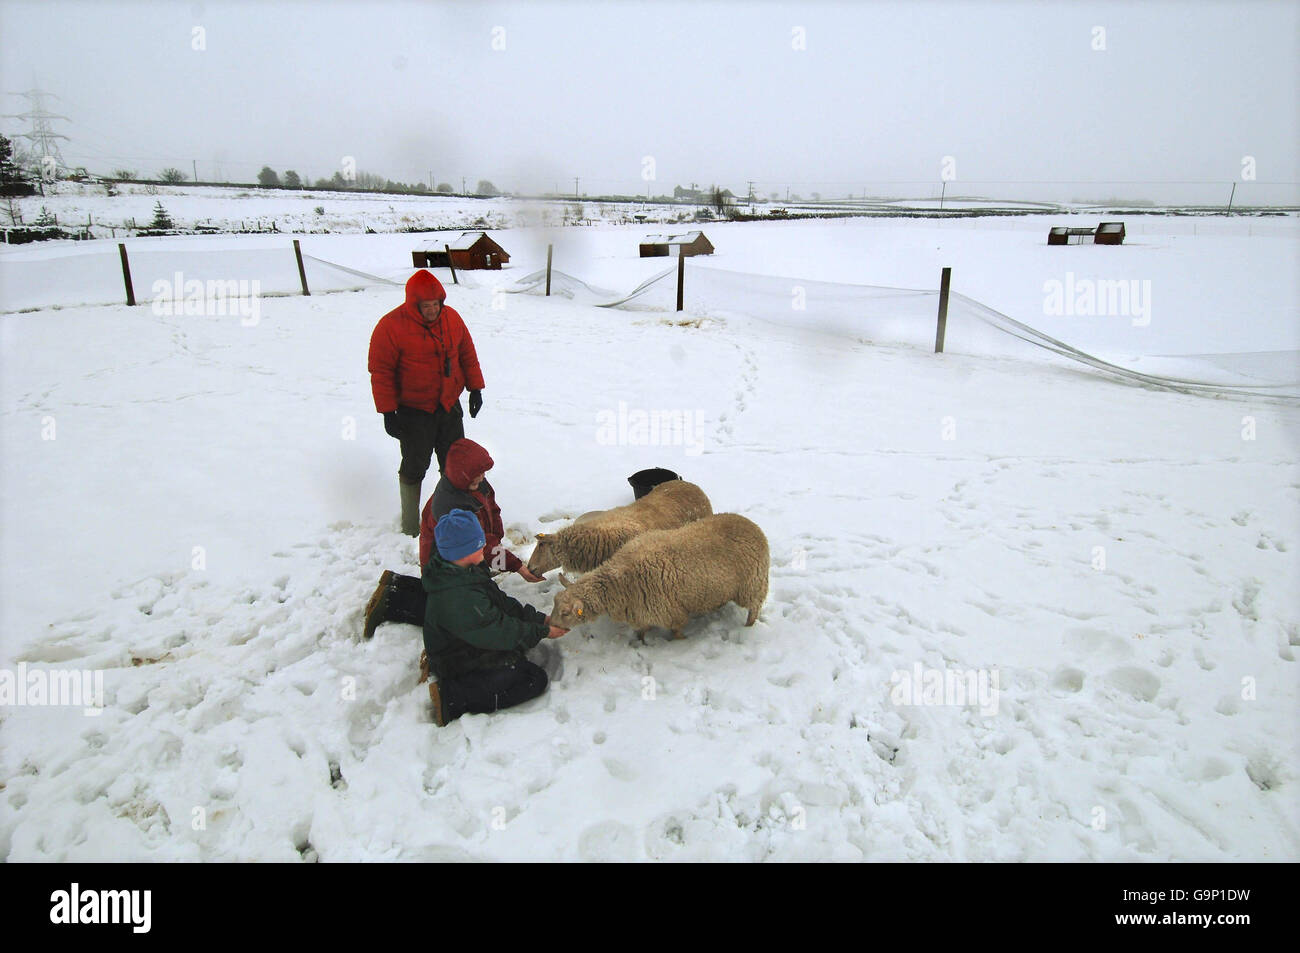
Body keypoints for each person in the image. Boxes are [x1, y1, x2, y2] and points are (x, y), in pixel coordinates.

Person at [362, 437, 541, 639]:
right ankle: (391, 601)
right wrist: (516, 566)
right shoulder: (452, 507)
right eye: (478, 474)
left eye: (483, 472)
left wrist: (497, 539)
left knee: (475, 597)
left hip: (464, 560)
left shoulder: (475, 484)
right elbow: (482, 546)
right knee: (463, 612)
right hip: (443, 566)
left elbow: (492, 512)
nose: (483, 477)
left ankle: (397, 584)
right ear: (463, 476)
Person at [420, 509, 568, 726]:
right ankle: (452, 696)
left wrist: (538, 619)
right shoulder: (458, 595)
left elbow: (498, 601)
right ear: (462, 552)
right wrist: (543, 632)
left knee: (515, 650)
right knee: (533, 679)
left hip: (469, 638)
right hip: (454, 656)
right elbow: (498, 631)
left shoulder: (465, 568)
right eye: (479, 544)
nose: (484, 547)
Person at [368, 270, 485, 537]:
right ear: (414, 305)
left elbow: (467, 353)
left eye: (435, 305)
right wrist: (388, 411)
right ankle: (410, 525)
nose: (432, 311)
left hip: (448, 406)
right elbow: (381, 371)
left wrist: (475, 388)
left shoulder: (452, 319)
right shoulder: (391, 326)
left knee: (455, 464)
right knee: (414, 465)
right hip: (413, 410)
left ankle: (451, 520)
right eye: (426, 306)